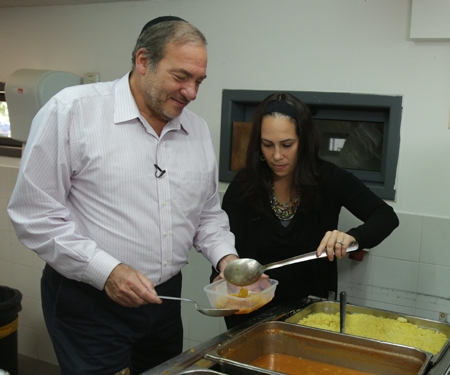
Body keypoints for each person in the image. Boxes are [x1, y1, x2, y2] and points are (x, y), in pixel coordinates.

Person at [7, 16, 239, 375]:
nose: (191, 93)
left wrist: (227, 260)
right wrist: (107, 271)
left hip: (165, 300)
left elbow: (206, 213)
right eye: (181, 77)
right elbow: (34, 215)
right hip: (90, 300)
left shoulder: (195, 130)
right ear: (143, 61)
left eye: (199, 81)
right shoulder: (72, 111)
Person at [213, 92, 399, 329]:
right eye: (267, 145)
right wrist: (225, 276)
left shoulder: (330, 179)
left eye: (287, 145)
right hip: (251, 314)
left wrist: (352, 238)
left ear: (304, 141)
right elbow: (225, 244)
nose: (277, 155)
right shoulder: (243, 186)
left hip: (312, 314)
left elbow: (386, 217)